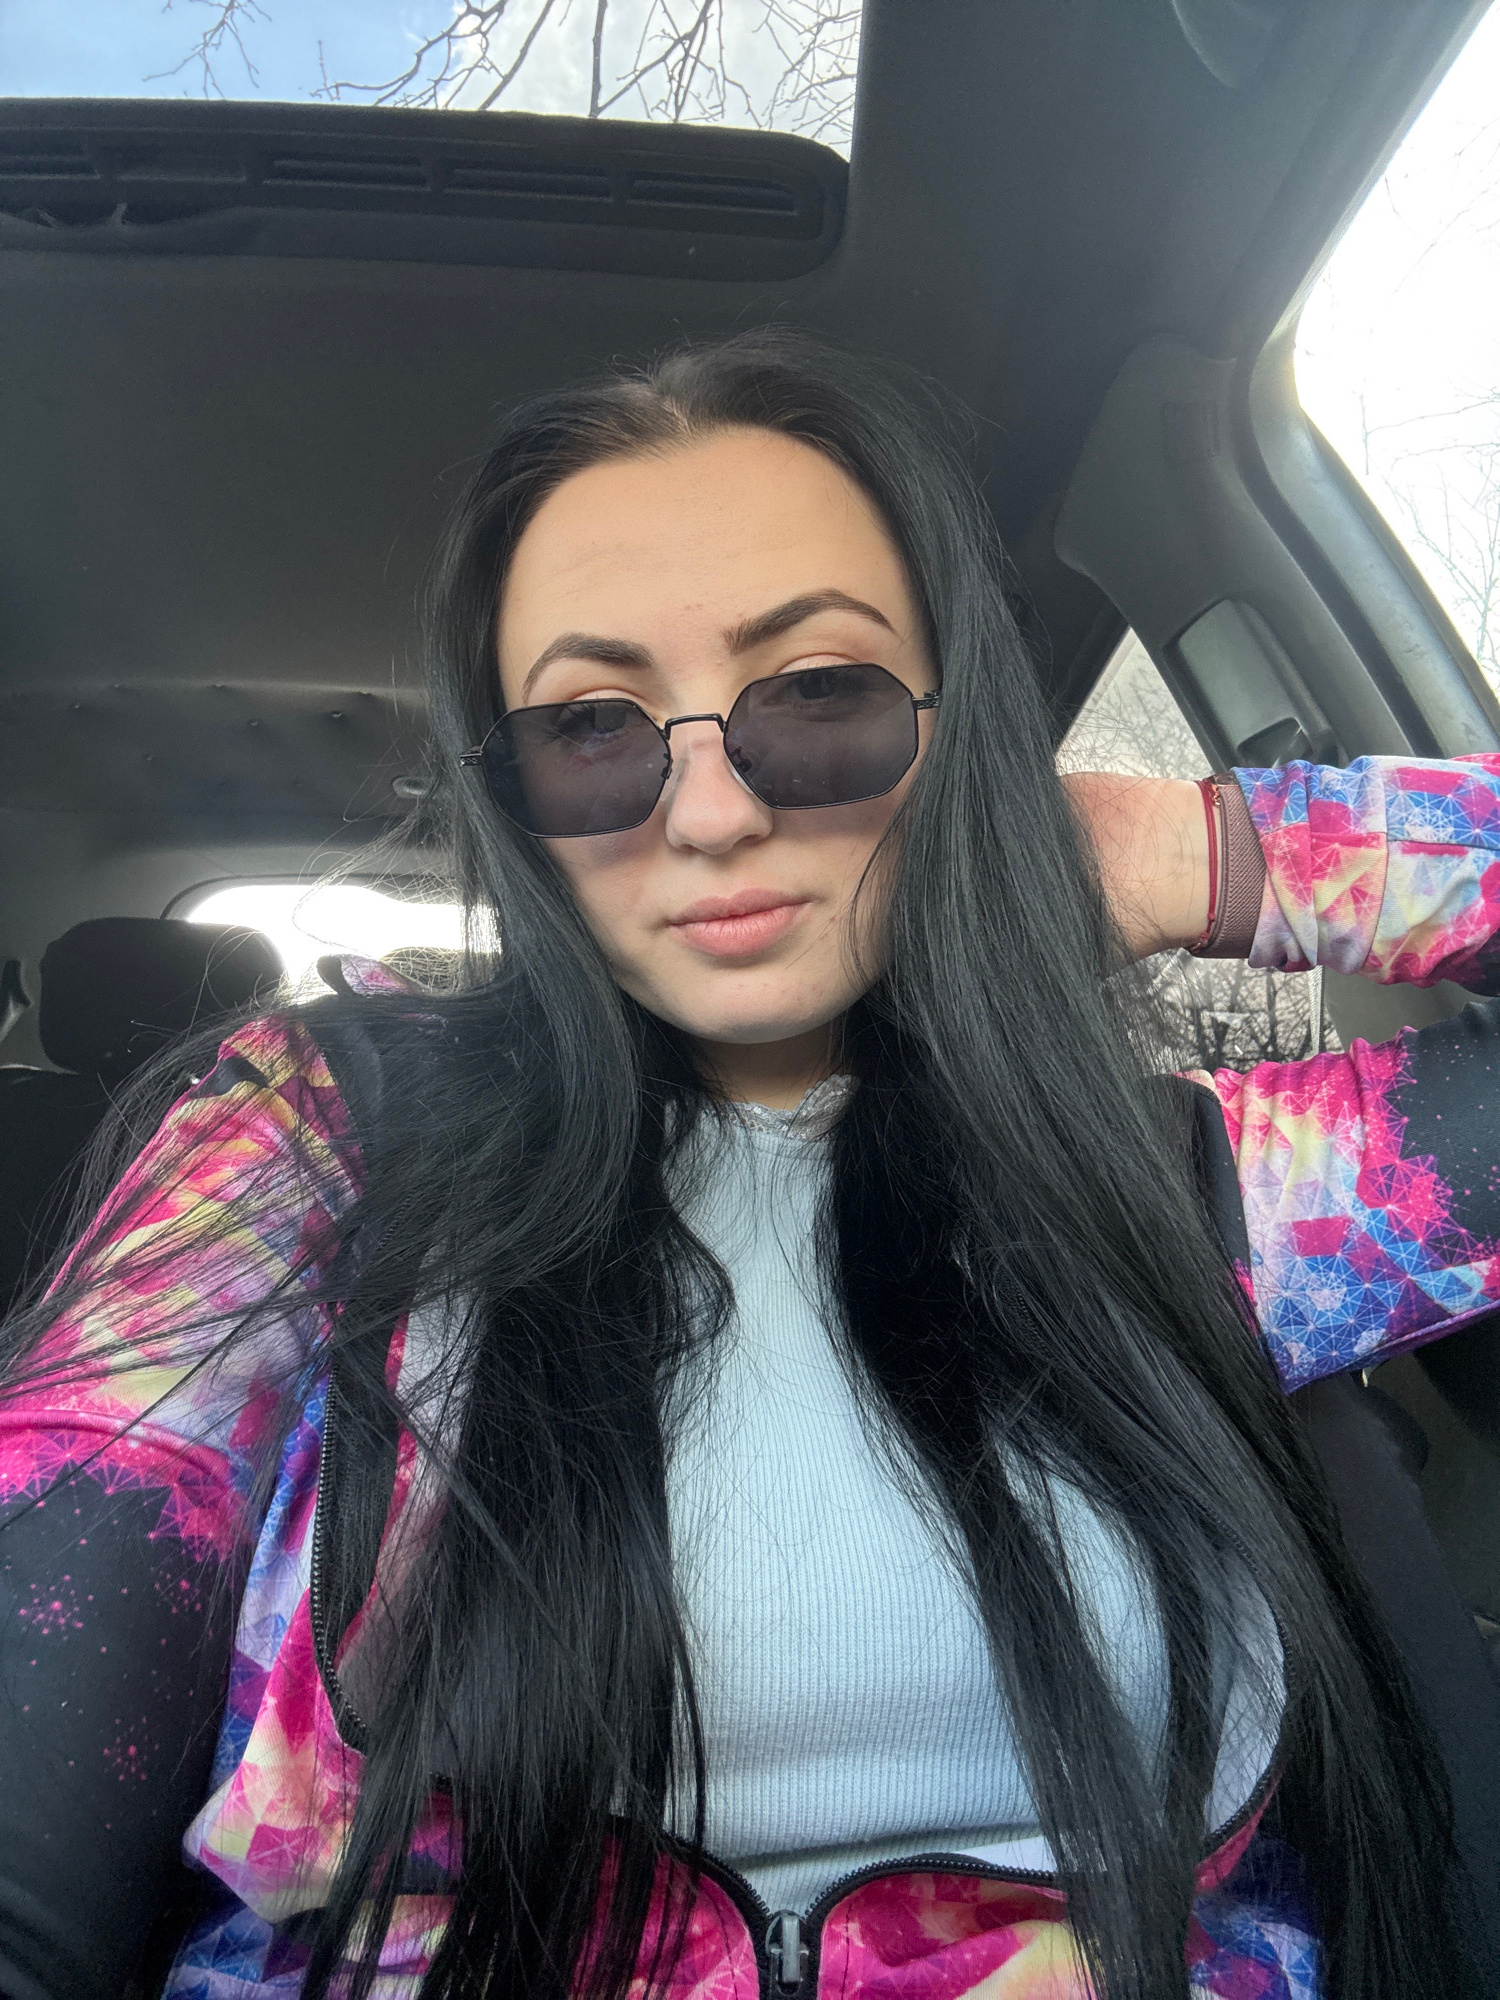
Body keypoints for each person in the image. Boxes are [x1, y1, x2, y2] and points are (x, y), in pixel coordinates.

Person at [2, 331, 1499, 2000]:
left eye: (820, 692)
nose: (710, 815)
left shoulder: (1184, 1180)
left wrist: (1192, 849)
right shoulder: (313, 1144)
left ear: (953, 726)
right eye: (590, 723)